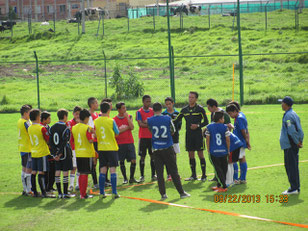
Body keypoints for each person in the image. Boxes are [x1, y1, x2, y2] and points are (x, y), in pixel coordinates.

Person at [147, 102, 190, 200]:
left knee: (159, 172)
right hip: (167, 147)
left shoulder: (149, 120)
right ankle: (181, 192)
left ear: (153, 110)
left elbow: (151, 130)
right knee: (174, 171)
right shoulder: (167, 118)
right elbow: (173, 130)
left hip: (157, 149)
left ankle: (163, 194)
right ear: (161, 109)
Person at [173, 91, 209, 181]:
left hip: (198, 135)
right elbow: (176, 120)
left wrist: (197, 126)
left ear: (196, 99)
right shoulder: (184, 110)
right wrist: (165, 120)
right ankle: (193, 175)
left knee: (200, 154)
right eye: (189, 97)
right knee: (190, 155)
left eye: (192, 97)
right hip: (189, 135)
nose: (190, 99)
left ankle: (204, 175)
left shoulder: (200, 109)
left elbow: (206, 122)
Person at [95, 102, 120, 199]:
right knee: (113, 169)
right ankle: (114, 192)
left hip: (101, 148)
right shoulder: (111, 121)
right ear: (109, 110)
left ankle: (101, 193)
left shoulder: (96, 121)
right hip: (111, 148)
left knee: (102, 170)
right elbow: (117, 133)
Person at [279, 96, 304, 195]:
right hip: (292, 144)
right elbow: (300, 130)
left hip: (290, 145)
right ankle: (295, 187)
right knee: (292, 166)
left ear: (286, 104)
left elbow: (291, 131)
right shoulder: (293, 114)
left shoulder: (288, 116)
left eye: (282, 103)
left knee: (291, 166)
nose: (281, 104)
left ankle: (294, 188)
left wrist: (297, 141)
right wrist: (299, 140)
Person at [49, 109, 75, 199]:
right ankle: (65, 193)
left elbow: (50, 142)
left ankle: (59, 193)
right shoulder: (66, 128)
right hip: (64, 153)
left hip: (55, 154)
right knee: (65, 172)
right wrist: (60, 153)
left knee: (57, 171)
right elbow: (64, 142)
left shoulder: (52, 127)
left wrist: (54, 154)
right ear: (64, 117)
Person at [206, 98, 232, 182]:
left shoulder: (223, 114)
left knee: (223, 161)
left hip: (223, 141)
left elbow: (228, 127)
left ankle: (225, 179)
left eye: (209, 107)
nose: (208, 109)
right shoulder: (213, 113)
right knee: (216, 160)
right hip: (215, 140)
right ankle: (217, 177)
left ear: (213, 106)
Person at [72, 109, 95, 199]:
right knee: (85, 174)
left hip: (78, 153)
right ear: (86, 118)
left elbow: (73, 140)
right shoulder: (87, 128)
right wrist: (95, 136)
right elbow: (90, 140)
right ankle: (83, 194)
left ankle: (82, 193)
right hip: (86, 153)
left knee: (81, 173)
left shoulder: (74, 127)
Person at [205, 111, 230, 192]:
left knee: (217, 169)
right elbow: (227, 140)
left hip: (214, 152)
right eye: (223, 118)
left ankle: (223, 186)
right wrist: (228, 149)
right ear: (220, 119)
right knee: (224, 168)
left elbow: (207, 139)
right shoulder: (225, 127)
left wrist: (208, 150)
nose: (223, 120)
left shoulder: (209, 127)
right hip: (224, 151)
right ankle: (219, 185)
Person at [114, 102, 138, 184]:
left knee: (133, 160)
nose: (125, 110)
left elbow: (132, 127)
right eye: (123, 108)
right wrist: (127, 127)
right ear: (118, 110)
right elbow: (117, 132)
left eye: (125, 108)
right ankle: (125, 178)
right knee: (121, 161)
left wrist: (127, 118)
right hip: (120, 143)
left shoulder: (129, 116)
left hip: (129, 142)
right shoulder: (114, 120)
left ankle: (132, 178)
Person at [28, 109, 51, 197]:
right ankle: (44, 192)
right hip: (42, 153)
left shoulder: (30, 128)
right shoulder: (42, 128)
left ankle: (34, 191)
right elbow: (48, 139)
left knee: (34, 172)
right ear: (38, 117)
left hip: (34, 152)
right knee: (41, 172)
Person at [226, 104, 251, 184]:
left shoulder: (239, 118)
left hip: (239, 142)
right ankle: (241, 178)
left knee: (235, 159)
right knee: (241, 158)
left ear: (234, 111)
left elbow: (243, 130)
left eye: (230, 113)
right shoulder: (240, 115)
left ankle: (238, 179)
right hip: (240, 142)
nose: (230, 116)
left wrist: (247, 141)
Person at [136, 95, 156, 182]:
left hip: (152, 137)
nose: (149, 103)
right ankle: (142, 175)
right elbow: (140, 124)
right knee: (142, 156)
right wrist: (149, 124)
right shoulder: (139, 112)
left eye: (150, 101)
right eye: (147, 101)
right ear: (143, 102)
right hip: (143, 137)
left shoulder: (152, 111)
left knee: (153, 156)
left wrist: (146, 123)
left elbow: (154, 122)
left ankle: (153, 175)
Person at [162, 97, 182, 181]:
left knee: (174, 155)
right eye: (166, 104)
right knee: (167, 155)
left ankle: (175, 173)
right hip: (166, 137)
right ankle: (169, 174)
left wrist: (174, 130)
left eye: (169, 104)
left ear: (173, 103)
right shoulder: (163, 114)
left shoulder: (177, 113)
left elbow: (179, 126)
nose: (168, 106)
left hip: (175, 137)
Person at [17, 104, 32, 196]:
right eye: (29, 113)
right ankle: (28, 189)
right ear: (25, 113)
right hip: (27, 148)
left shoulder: (20, 121)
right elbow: (31, 132)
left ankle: (25, 189)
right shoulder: (26, 122)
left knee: (24, 168)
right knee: (28, 169)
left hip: (22, 147)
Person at [67, 106, 82, 191]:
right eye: (76, 114)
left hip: (80, 147)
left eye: (79, 114)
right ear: (73, 114)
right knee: (73, 166)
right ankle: (71, 184)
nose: (78, 116)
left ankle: (78, 184)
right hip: (73, 148)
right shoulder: (70, 123)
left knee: (79, 166)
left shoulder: (83, 123)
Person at [40, 111, 55, 192]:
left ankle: (50, 186)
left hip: (51, 151)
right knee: (46, 171)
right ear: (44, 119)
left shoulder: (48, 127)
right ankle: (46, 187)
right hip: (45, 151)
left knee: (53, 169)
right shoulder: (41, 127)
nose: (50, 120)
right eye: (49, 118)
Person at [88, 97, 99, 189]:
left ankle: (104, 180)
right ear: (92, 104)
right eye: (96, 103)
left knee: (101, 161)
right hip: (93, 141)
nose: (97, 104)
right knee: (94, 162)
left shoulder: (96, 114)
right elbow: (89, 129)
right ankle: (95, 182)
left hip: (99, 141)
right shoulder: (89, 115)